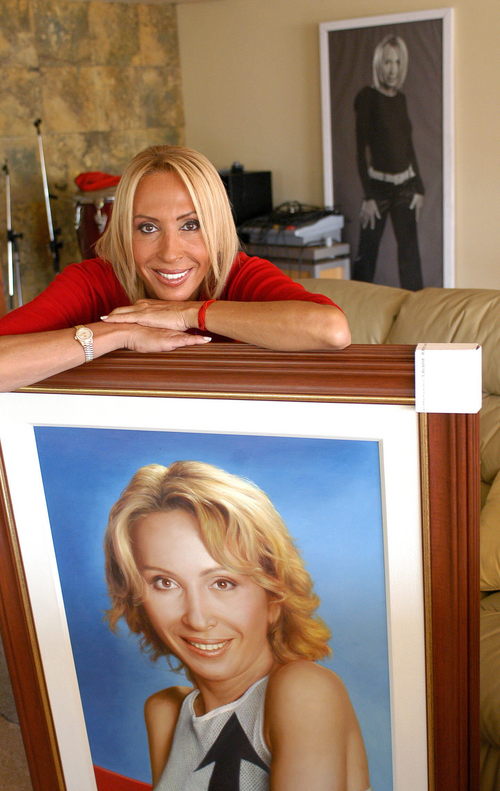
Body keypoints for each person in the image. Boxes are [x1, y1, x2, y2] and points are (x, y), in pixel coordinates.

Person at [104, 460, 371, 791]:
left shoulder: (304, 689)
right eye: (164, 582)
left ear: (274, 595)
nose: (197, 618)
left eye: (223, 583)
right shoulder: (166, 712)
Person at [0, 145, 350, 392]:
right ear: (124, 232)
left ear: (216, 227)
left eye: (190, 225)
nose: (170, 253)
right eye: (147, 228)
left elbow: (331, 330)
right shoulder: (93, 281)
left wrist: (188, 313)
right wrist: (118, 334)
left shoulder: (238, 274)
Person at [353, 35, 424, 290]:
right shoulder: (367, 97)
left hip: (406, 187)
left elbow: (408, 146)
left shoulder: (401, 99)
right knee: (366, 258)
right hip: (378, 189)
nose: (392, 69)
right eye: (387, 62)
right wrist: (369, 196)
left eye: (397, 62)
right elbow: (360, 151)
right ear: (378, 64)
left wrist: (419, 188)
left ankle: (418, 312)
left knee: (410, 258)